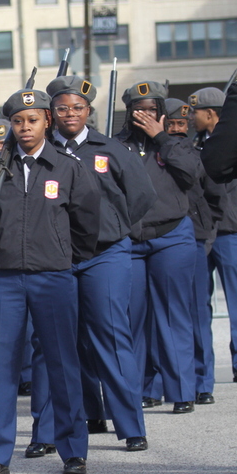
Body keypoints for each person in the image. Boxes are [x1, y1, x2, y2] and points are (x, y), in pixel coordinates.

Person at [0, 88, 100, 474]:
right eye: (18, 121)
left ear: (48, 121)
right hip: (2, 278)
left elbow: (87, 222)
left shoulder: (67, 166)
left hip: (52, 277)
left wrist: (64, 256)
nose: (25, 128)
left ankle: (73, 450)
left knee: (62, 364)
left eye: (34, 120)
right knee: (2, 369)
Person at [46, 75, 156, 451]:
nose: (70, 114)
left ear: (88, 112)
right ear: (52, 113)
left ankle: (131, 425)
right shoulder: (41, 151)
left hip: (105, 255)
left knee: (110, 336)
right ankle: (89, 415)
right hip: (58, 257)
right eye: (62, 108)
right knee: (67, 343)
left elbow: (141, 195)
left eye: (77, 108)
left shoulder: (110, 149)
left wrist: (115, 226)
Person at [115, 81, 199, 414]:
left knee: (172, 314)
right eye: (140, 109)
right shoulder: (117, 145)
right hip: (132, 241)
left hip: (172, 235)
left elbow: (193, 175)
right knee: (131, 318)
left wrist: (162, 138)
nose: (146, 115)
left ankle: (181, 390)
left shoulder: (176, 144)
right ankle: (138, 390)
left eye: (152, 109)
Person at [164, 97, 222, 406]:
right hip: (162, 240)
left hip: (196, 239)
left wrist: (207, 229)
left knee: (198, 312)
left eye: (182, 125)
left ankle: (202, 381)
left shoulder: (198, 155)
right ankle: (158, 382)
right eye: (171, 124)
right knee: (162, 317)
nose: (177, 130)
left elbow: (215, 196)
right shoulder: (152, 155)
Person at [191, 87, 237, 387]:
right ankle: (202, 373)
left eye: (195, 112)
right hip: (202, 233)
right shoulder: (191, 145)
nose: (190, 117)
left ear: (211, 114)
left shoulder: (232, 142)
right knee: (199, 305)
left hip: (230, 231)